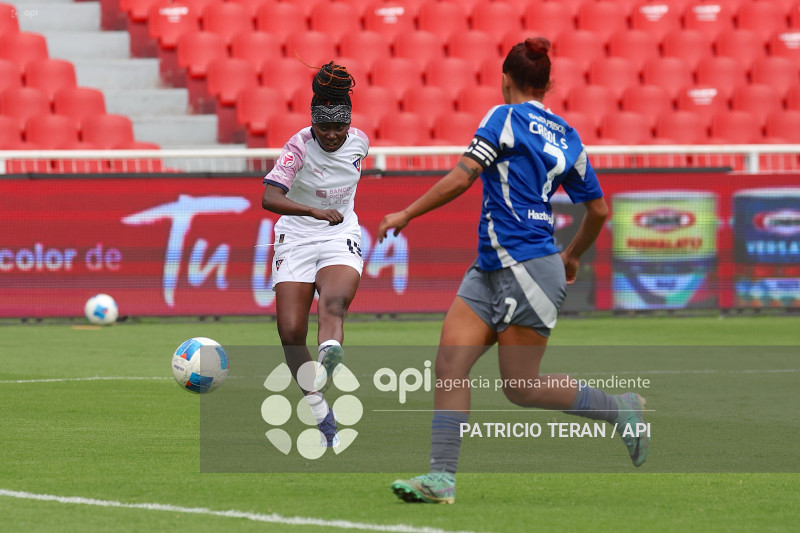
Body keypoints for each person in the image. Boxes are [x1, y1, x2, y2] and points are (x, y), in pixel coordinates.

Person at [378, 38, 649, 504]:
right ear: (549, 84)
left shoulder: (502, 117)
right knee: (449, 364)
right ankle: (441, 479)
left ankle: (620, 408)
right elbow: (599, 210)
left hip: (524, 267)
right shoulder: (568, 135)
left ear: (505, 80)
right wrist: (573, 255)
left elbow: (463, 176)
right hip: (493, 267)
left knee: (521, 387)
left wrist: (406, 213)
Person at [262, 61, 368, 447]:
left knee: (335, 301)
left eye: (339, 127)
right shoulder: (298, 147)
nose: (332, 135)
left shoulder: (361, 142)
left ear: (348, 123)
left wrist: (331, 214)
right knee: (290, 331)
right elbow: (269, 196)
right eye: (324, 127)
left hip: (340, 233)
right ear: (313, 122)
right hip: (298, 235)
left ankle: (328, 356)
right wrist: (311, 210)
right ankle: (319, 407)